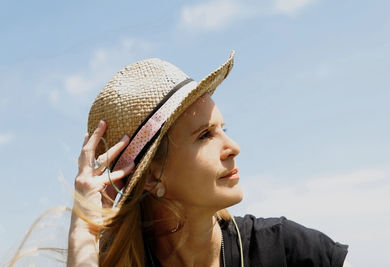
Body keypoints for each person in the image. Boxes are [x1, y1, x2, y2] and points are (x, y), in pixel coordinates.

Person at [67, 51, 350, 267]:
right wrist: (83, 230)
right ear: (153, 175)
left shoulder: (289, 251)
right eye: (205, 135)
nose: (233, 147)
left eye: (223, 130)